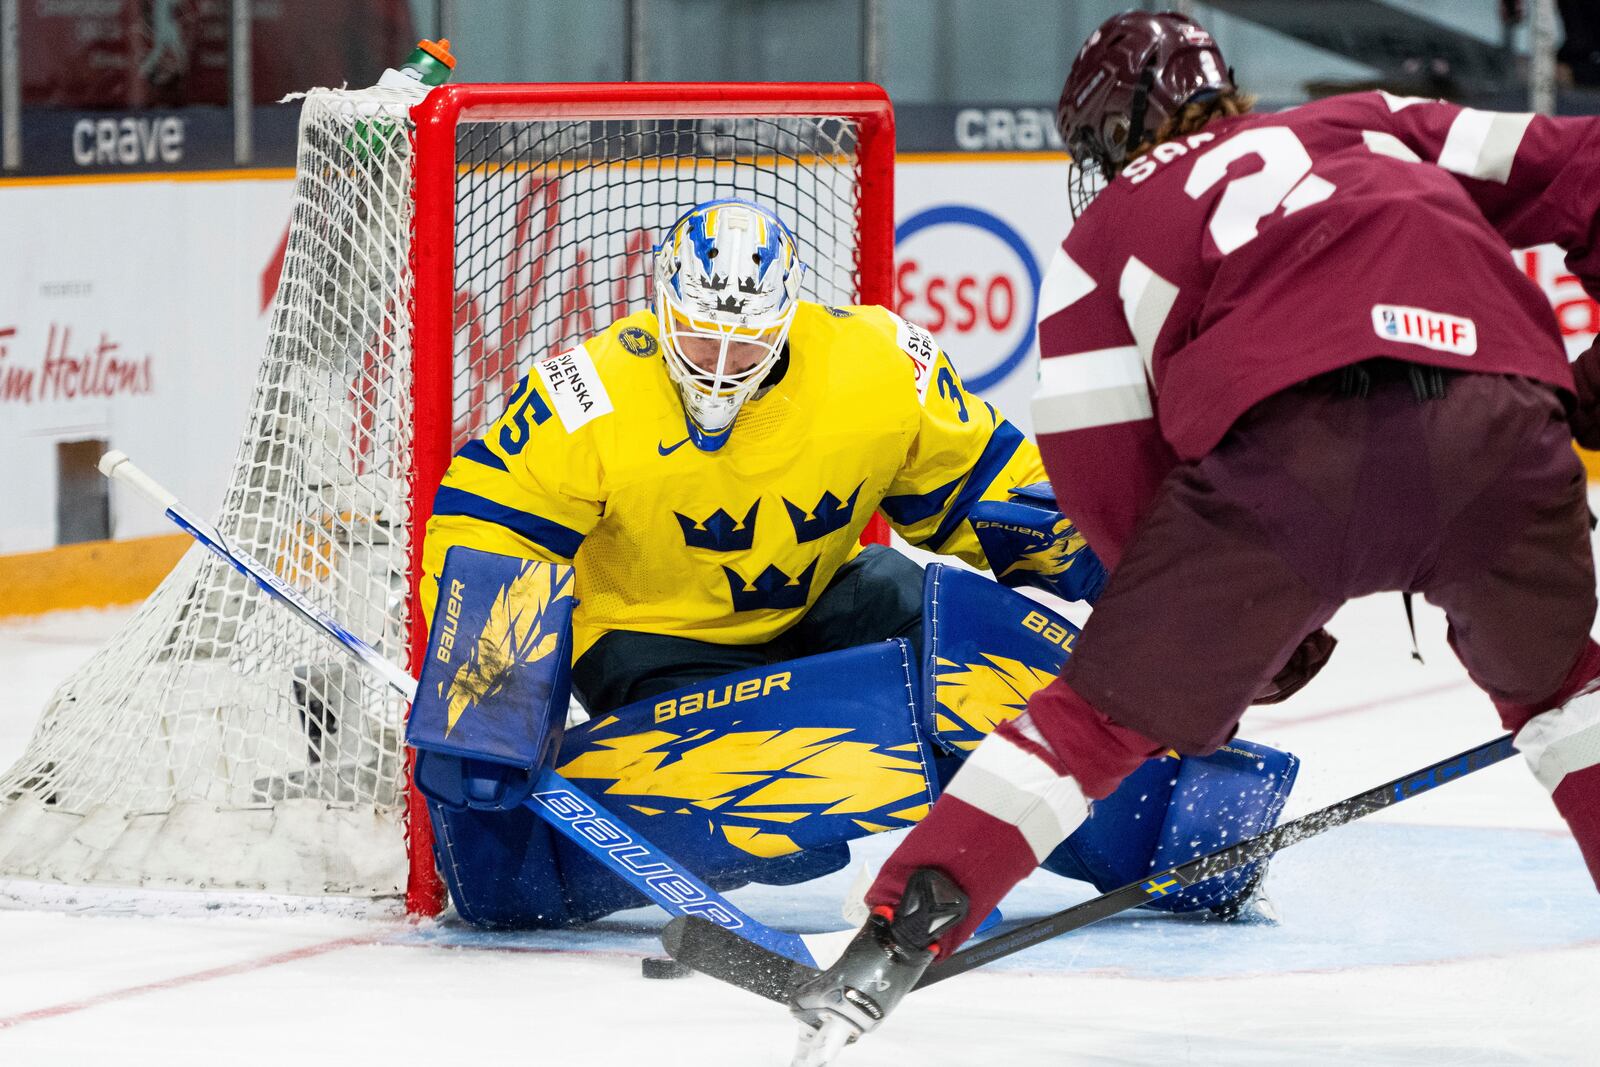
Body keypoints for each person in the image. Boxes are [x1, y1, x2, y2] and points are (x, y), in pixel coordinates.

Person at [790, 9, 1600, 1059]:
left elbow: (1101, 465)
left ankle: (890, 945)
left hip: (1292, 468)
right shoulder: (1365, 120)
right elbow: (1581, 160)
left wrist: (1213, 627)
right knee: (1566, 697)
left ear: (1118, 126)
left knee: (1089, 719)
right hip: (1504, 434)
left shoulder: (1104, 237)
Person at [413, 197, 1292, 930]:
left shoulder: (874, 364)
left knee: (963, 631)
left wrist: (1114, 556)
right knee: (807, 759)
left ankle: (1175, 815)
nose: (719, 368)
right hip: (653, 650)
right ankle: (518, 864)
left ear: (785, 323)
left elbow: (986, 482)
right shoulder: (588, 393)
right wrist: (483, 694)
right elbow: (491, 526)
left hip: (822, 605)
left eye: (745, 348)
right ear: (662, 309)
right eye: (699, 341)